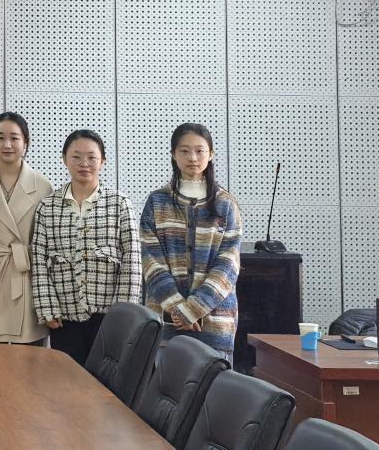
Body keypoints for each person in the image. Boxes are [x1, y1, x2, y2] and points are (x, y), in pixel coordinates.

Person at [31, 130, 141, 365]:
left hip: (108, 316)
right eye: (76, 156)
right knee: (67, 378)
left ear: (103, 160)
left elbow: (132, 261)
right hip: (64, 315)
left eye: (92, 157)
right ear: (64, 159)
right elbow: (39, 260)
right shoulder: (47, 206)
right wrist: (47, 307)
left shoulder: (119, 204)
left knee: (105, 380)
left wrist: (124, 315)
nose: (84, 163)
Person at [141, 123, 242, 363]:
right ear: (173, 155)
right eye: (184, 151)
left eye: (199, 151)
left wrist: (194, 309)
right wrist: (177, 308)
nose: (192, 158)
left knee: (214, 383)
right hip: (166, 319)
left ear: (211, 154)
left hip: (214, 320)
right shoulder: (157, 202)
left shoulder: (226, 203)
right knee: (164, 383)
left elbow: (228, 265)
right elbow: (150, 260)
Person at [0, 112, 54, 345]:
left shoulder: (43, 186)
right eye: (0, 138)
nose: (7, 144)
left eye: (14, 138)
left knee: (29, 362)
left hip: (27, 280)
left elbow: (49, 246)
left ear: (26, 143)